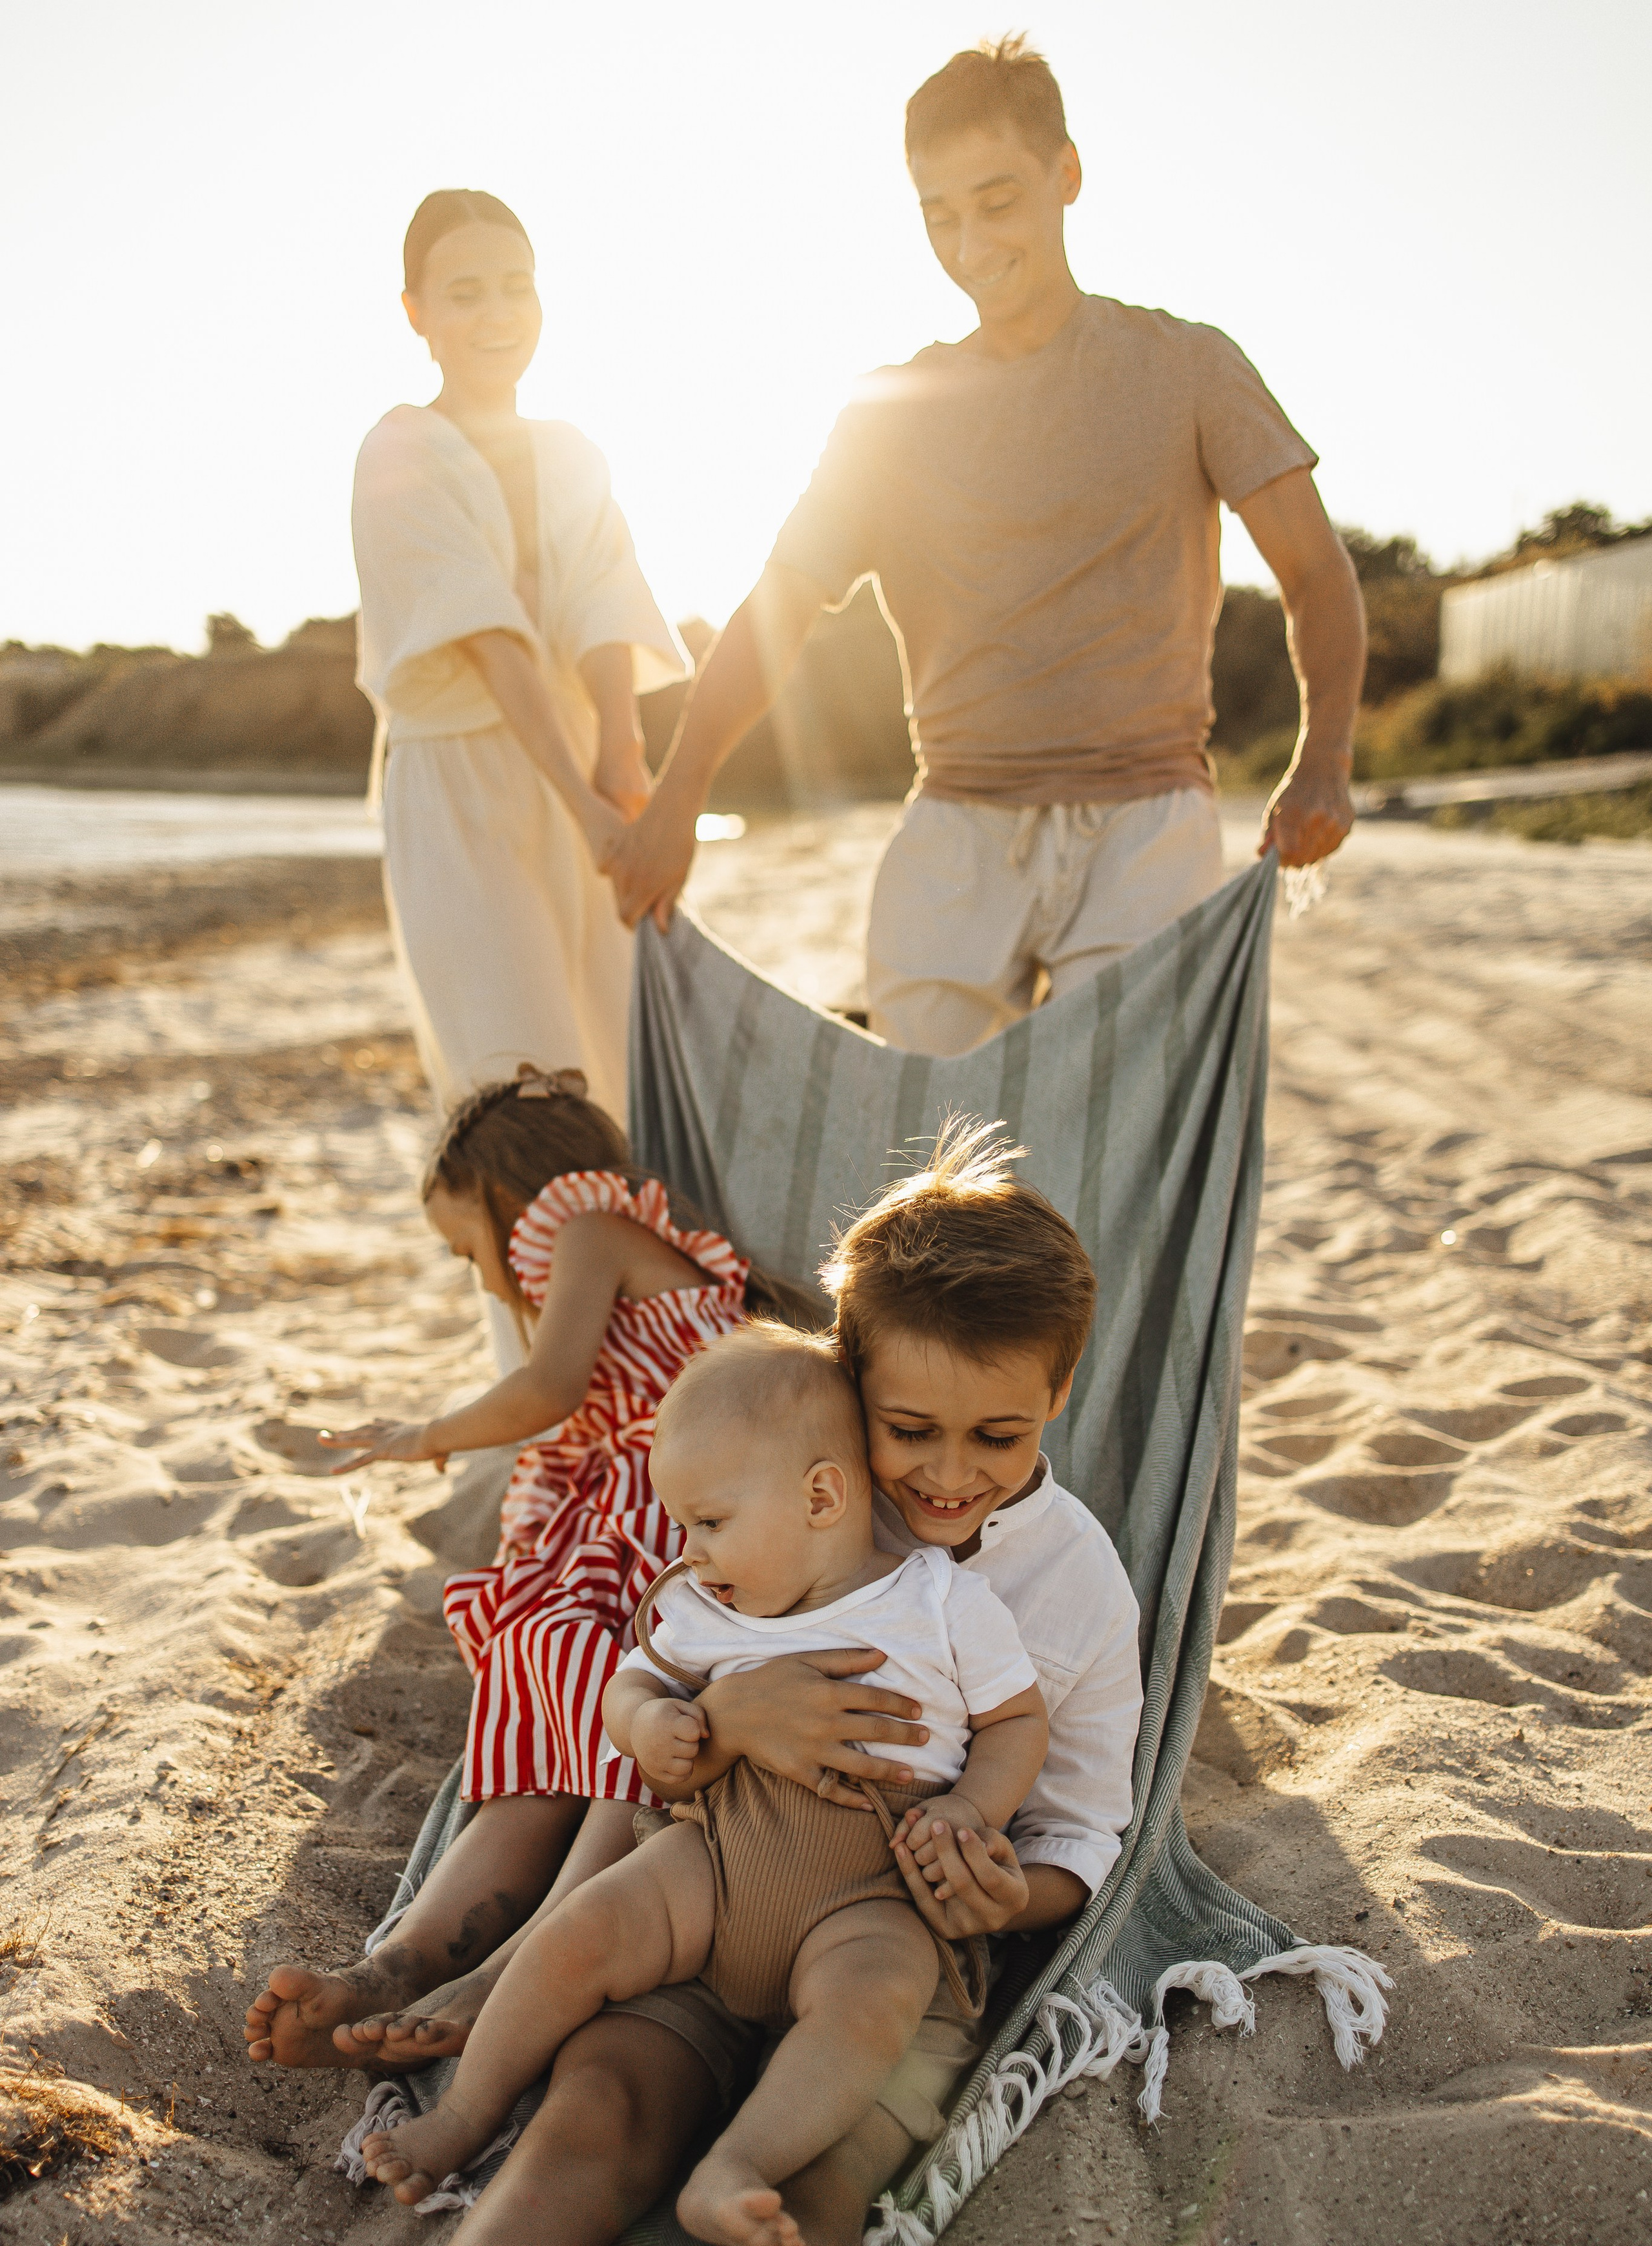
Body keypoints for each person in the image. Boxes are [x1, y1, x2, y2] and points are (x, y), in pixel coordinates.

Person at [217, 1122, 1142, 2246]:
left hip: (885, 1939)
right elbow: (654, 1677)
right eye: (908, 1430)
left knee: (806, 2195)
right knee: (586, 2118)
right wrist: (711, 1724)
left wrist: (1015, 1882)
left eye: (995, 1434)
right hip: (710, 1907)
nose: (945, 1474)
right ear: (849, 1382)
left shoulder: (1073, 1588)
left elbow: (1080, 1827)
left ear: (1058, 1394)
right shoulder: (792, 1486)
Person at [608, 39, 1367, 1055]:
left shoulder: (1189, 369)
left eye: (997, 200)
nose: (969, 241)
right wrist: (677, 798)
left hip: (1147, 819)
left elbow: (1316, 575)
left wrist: (1323, 759)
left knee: (1121, 1138)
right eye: (938, 212)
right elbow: (777, 613)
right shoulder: (892, 415)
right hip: (955, 823)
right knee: (927, 1158)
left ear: (1068, 175)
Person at [357, 1322, 1047, 2246]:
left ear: (820, 1495)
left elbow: (1016, 1723)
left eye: (710, 1522)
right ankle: (464, 2114)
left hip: (872, 1887)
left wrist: (972, 1809)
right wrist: (648, 1722)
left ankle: (739, 2164)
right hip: (714, 1859)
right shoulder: (702, 1608)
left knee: (877, 2000)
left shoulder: (938, 1601)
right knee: (584, 1930)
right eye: (683, 1525)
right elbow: (630, 1685)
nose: (690, 1550)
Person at [242, 1067, 781, 2074]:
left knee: (597, 1674)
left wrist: (422, 1435)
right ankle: (400, 1964)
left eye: (470, 1250)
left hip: (682, 1528)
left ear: (513, 1201)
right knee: (545, 1716)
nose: (489, 1283)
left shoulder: (590, 1228)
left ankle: (518, 1964)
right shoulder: (632, 1245)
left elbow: (548, 1384)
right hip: (643, 1520)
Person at [352, 187, 690, 1365]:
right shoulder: (399, 448)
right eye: (466, 289)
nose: (498, 311)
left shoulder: (572, 450)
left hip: (576, 786)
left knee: (613, 1060)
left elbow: (602, 603)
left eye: (517, 283)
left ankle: (639, 1373)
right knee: (518, 1090)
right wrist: (584, 793)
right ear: (416, 311)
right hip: (461, 787)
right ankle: (538, 1401)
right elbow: (490, 642)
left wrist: (624, 748)